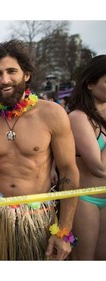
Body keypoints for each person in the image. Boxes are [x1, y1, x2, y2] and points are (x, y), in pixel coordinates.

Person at [0, 39, 80, 260]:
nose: (5, 80)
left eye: (12, 71)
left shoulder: (51, 113)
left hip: (38, 218)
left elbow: (68, 171)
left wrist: (64, 230)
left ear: (26, 75)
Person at [67, 55, 106, 260]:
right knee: (85, 263)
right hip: (86, 199)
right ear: (91, 84)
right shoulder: (78, 117)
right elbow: (99, 168)